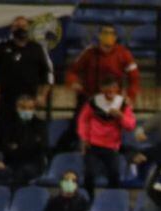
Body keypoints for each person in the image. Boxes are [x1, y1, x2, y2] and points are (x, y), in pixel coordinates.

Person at [56, 24, 140, 154]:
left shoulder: (124, 54)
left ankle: (120, 155)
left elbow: (134, 78)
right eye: (105, 33)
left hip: (112, 99)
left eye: (111, 33)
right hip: (88, 98)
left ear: (116, 37)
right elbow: (72, 71)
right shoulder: (89, 53)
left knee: (117, 128)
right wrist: (73, 83)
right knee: (76, 126)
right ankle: (59, 154)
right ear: (99, 36)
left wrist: (130, 96)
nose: (108, 36)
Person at [0, 16, 53, 145]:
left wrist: (42, 95)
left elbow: (48, 75)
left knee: (28, 133)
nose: (20, 28)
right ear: (11, 29)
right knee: (5, 132)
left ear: (29, 28)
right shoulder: (2, 48)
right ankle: (4, 157)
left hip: (29, 100)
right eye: (17, 26)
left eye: (23, 26)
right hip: (7, 99)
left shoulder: (37, 49)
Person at [77, 76, 137, 201]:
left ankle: (111, 200)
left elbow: (131, 125)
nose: (110, 90)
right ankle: (88, 200)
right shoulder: (93, 102)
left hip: (111, 146)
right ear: (101, 88)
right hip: (93, 145)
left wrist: (120, 116)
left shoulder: (123, 104)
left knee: (114, 175)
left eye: (113, 87)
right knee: (89, 174)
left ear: (117, 89)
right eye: (107, 87)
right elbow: (83, 120)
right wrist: (84, 137)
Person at [0, 95, 49, 190]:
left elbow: (41, 147)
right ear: (17, 108)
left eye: (30, 108)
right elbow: (3, 145)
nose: (27, 110)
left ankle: (14, 199)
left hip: (34, 163)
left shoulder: (40, 124)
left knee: (21, 172)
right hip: (12, 162)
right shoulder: (9, 125)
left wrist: (17, 146)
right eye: (23, 107)